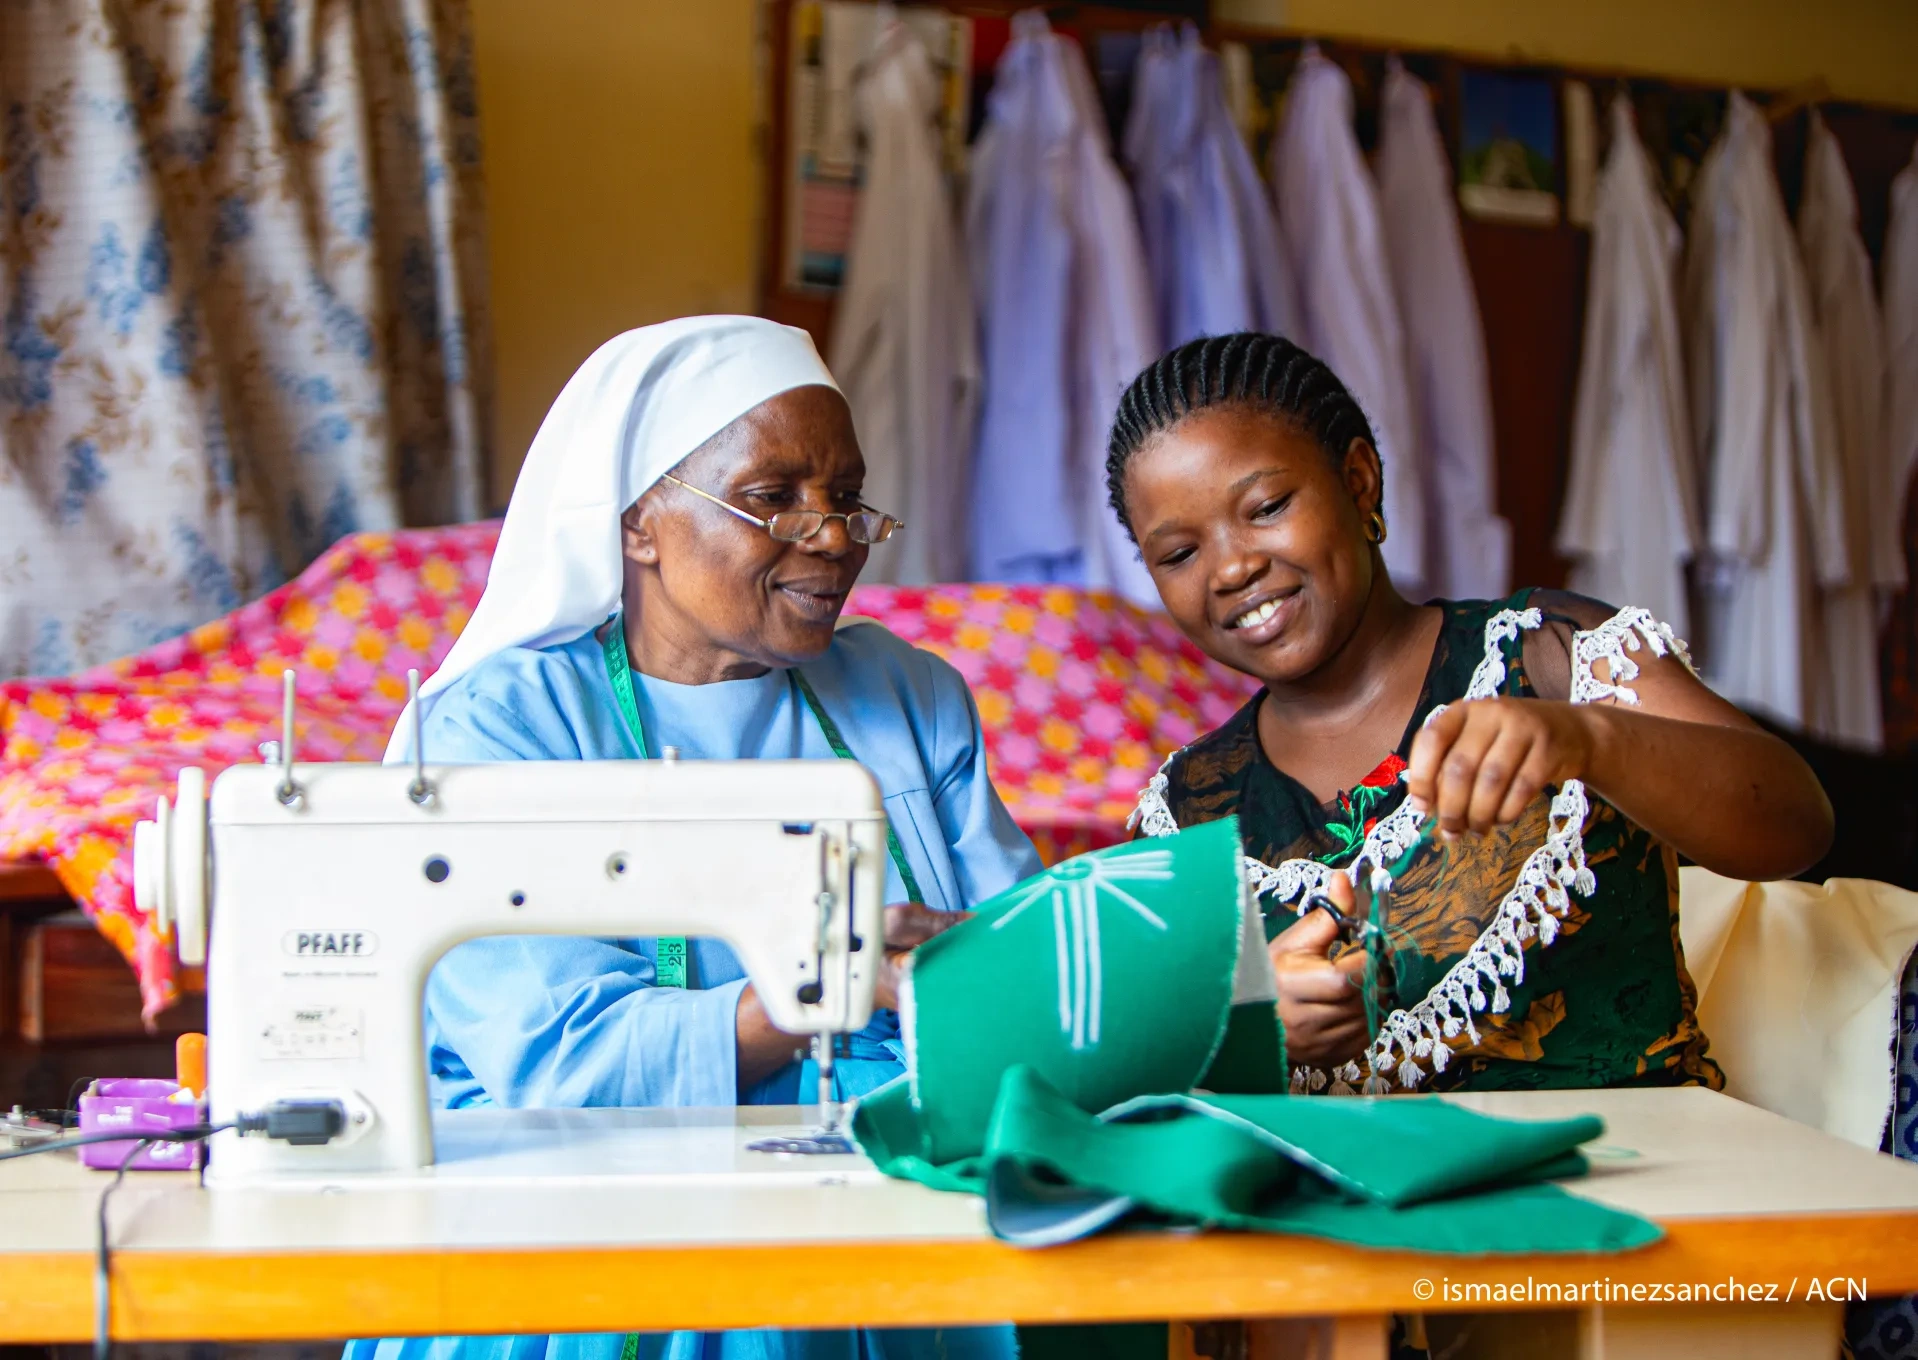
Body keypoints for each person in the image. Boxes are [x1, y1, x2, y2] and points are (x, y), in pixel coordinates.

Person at [350, 316, 1038, 1360]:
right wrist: (811, 994)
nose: (833, 536)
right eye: (774, 497)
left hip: (892, 1205)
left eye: (847, 497)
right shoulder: (501, 728)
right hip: (588, 1230)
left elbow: (1019, 967)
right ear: (638, 524)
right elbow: (556, 1061)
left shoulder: (908, 695)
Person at [1108, 332, 1834, 1095]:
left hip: (1631, 1162)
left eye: (1267, 508)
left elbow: (1797, 826)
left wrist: (1588, 739)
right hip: (1340, 1178)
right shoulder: (1188, 811)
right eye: (1179, 554)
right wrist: (1244, 1029)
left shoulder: (1547, 658)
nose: (1232, 567)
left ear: (1359, 482)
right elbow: (1126, 1074)